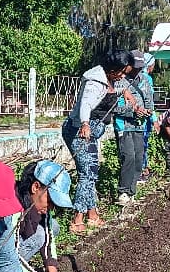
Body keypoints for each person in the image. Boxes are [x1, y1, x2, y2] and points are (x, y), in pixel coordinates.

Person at [62, 50, 133, 234]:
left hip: (92, 132)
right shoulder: (95, 81)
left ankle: (92, 216)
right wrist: (85, 123)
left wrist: (127, 94)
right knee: (88, 173)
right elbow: (85, 104)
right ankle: (77, 219)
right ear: (113, 69)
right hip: (80, 130)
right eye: (122, 72)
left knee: (91, 171)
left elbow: (117, 91)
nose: (123, 76)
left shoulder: (111, 80)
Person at [0, 160, 77, 272]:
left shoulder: (37, 203)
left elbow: (48, 239)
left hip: (12, 246)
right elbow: (10, 256)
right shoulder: (13, 208)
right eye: (51, 200)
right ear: (36, 187)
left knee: (50, 228)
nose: (51, 207)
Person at [112, 50, 155, 205]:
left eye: (139, 67)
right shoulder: (119, 81)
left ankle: (132, 190)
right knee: (128, 157)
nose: (137, 69)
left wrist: (148, 112)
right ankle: (123, 191)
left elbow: (149, 102)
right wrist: (133, 111)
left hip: (140, 125)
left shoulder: (144, 80)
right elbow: (115, 108)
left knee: (138, 158)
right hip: (123, 125)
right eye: (134, 66)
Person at [138, 52, 158, 184]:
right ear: (149, 65)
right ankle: (142, 173)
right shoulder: (146, 78)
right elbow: (149, 102)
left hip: (137, 115)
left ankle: (144, 169)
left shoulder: (133, 76)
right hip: (144, 118)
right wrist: (154, 119)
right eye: (153, 65)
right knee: (142, 144)